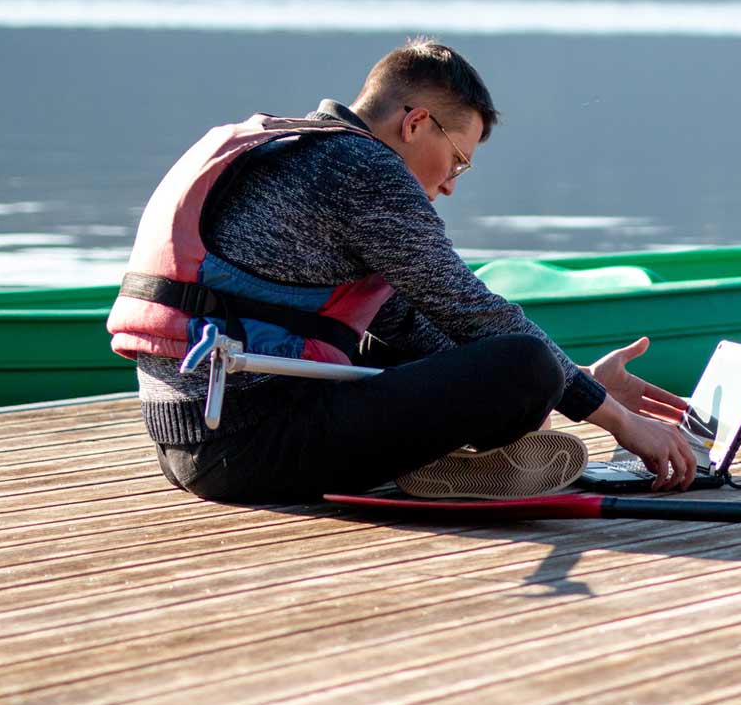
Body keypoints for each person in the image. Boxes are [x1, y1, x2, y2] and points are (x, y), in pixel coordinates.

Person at [108, 37, 698, 502]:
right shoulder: (360, 168)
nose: (448, 184)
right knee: (524, 365)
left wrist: (580, 378)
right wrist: (615, 418)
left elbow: (420, 327)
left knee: (512, 363)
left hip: (194, 439)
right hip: (247, 443)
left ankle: (432, 460)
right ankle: (427, 461)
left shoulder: (306, 151)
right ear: (415, 124)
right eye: (458, 162)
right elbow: (473, 310)